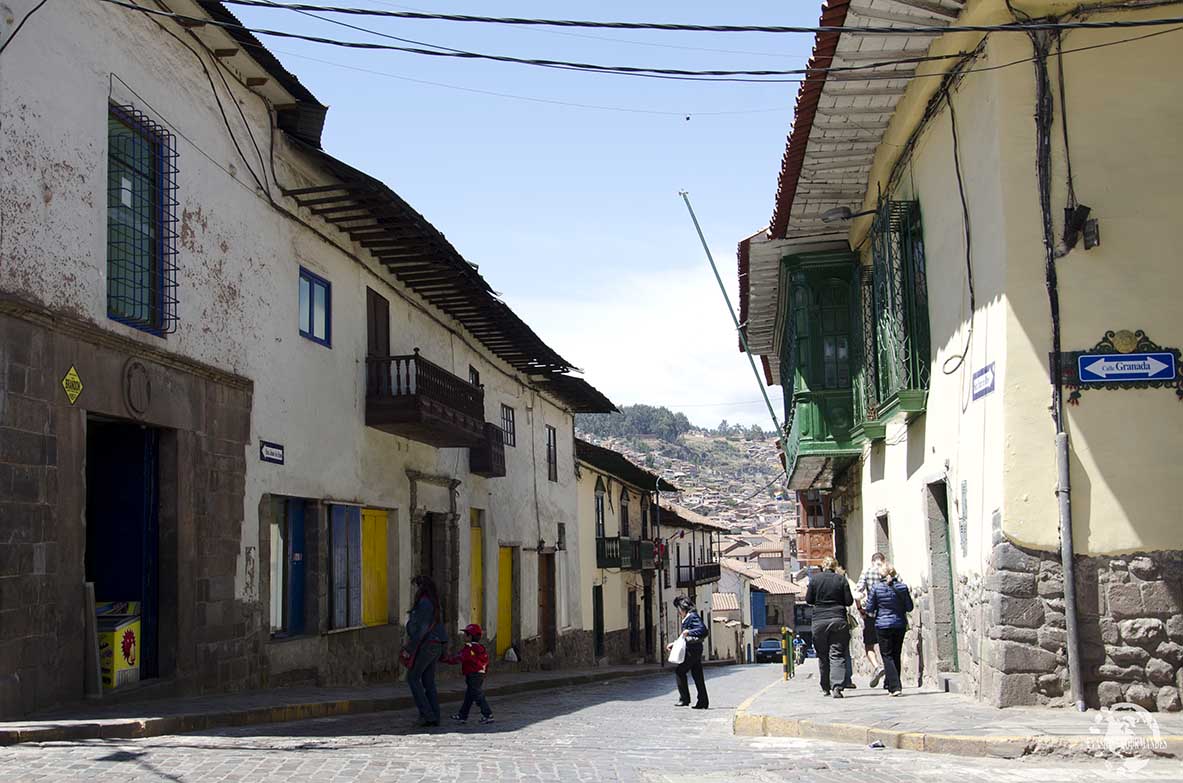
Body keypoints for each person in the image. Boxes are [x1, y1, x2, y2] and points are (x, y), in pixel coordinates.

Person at [402, 575, 448, 727]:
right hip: (436, 643)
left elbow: (421, 629)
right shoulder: (434, 603)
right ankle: (435, 715)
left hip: (427, 644)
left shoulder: (424, 603)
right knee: (428, 681)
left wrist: (409, 647)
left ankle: (427, 714)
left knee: (413, 678)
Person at [805, 556, 854, 698]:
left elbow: (809, 600)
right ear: (835, 566)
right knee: (837, 654)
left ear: (823, 566)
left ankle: (825, 686)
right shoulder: (841, 579)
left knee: (822, 655)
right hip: (838, 619)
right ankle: (837, 686)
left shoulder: (815, 580)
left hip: (819, 621)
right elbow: (848, 601)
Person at [865, 562, 914, 697]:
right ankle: (892, 683)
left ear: (881, 574)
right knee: (896, 654)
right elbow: (909, 607)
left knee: (887, 655)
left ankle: (894, 686)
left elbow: (869, 608)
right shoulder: (902, 587)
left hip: (883, 624)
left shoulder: (876, 588)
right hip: (899, 624)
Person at [444, 623, 494, 725]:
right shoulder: (481, 648)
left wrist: (446, 659)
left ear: (470, 636)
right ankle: (462, 715)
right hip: (480, 673)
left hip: (473, 674)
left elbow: (460, 657)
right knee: (469, 696)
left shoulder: (469, 648)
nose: (464, 636)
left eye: (466, 634)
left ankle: (488, 714)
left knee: (478, 695)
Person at [666, 596, 709, 709]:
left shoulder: (692, 616)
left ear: (682, 607)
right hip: (695, 649)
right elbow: (684, 637)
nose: (678, 611)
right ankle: (703, 702)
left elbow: (703, 630)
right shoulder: (689, 617)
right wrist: (674, 644)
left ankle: (684, 699)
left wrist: (689, 631)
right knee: (697, 675)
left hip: (692, 650)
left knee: (680, 671)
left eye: (678, 608)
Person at [856, 552, 888, 687]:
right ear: (883, 560)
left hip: (871, 615)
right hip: (887, 614)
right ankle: (890, 677)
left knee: (869, 644)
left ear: (872, 561)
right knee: (886, 647)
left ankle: (877, 666)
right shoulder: (888, 571)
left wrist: (860, 609)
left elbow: (857, 593)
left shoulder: (867, 572)